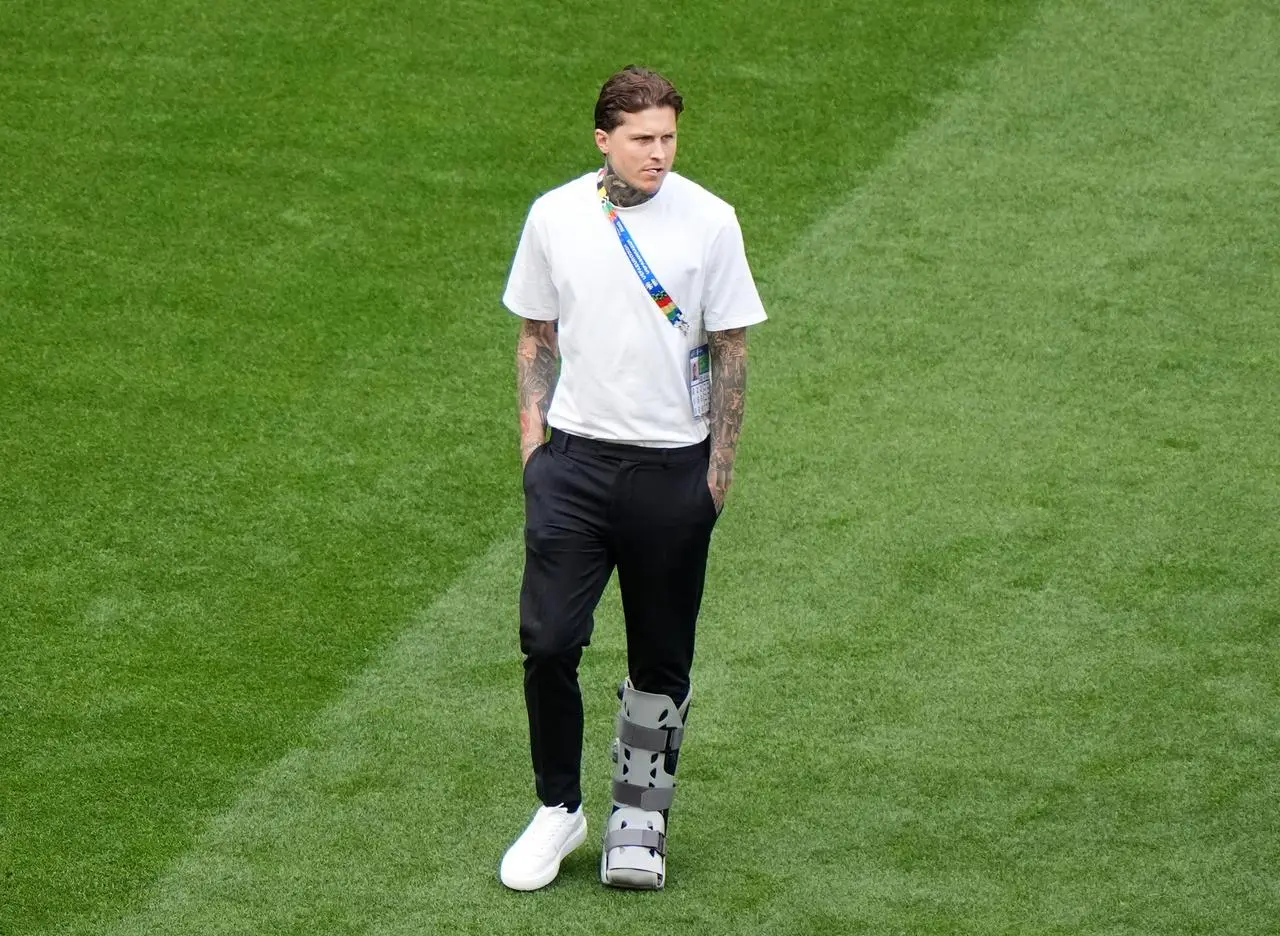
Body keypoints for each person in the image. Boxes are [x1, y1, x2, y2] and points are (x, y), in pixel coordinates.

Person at [498, 65, 767, 892]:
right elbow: (537, 335)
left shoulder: (711, 222)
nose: (660, 154)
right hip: (573, 467)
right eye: (644, 139)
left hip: (672, 473)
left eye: (670, 137)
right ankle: (558, 810)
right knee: (548, 642)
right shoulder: (555, 216)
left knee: (660, 657)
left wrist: (714, 480)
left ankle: (638, 817)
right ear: (603, 141)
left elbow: (731, 349)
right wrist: (534, 452)